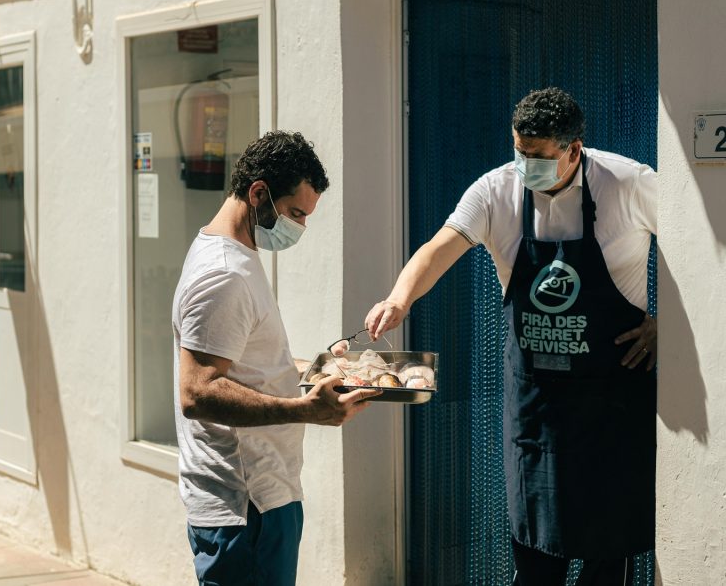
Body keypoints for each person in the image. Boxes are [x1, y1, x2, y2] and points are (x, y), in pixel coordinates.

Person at [365, 87, 657, 585]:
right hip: (536, 407)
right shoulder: (494, 191)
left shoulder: (629, 183)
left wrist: (662, 321)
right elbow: (439, 247)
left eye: (539, 157)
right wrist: (400, 297)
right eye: (519, 152)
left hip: (611, 400)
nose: (526, 165)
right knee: (535, 558)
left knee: (609, 557)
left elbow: (699, 256)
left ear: (574, 148)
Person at [173, 130, 378, 586]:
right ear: (259, 193)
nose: (300, 227)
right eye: (295, 213)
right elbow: (198, 391)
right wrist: (305, 410)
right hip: (247, 506)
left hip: (261, 500)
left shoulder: (231, 256)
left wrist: (320, 368)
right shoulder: (224, 274)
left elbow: (247, 366)